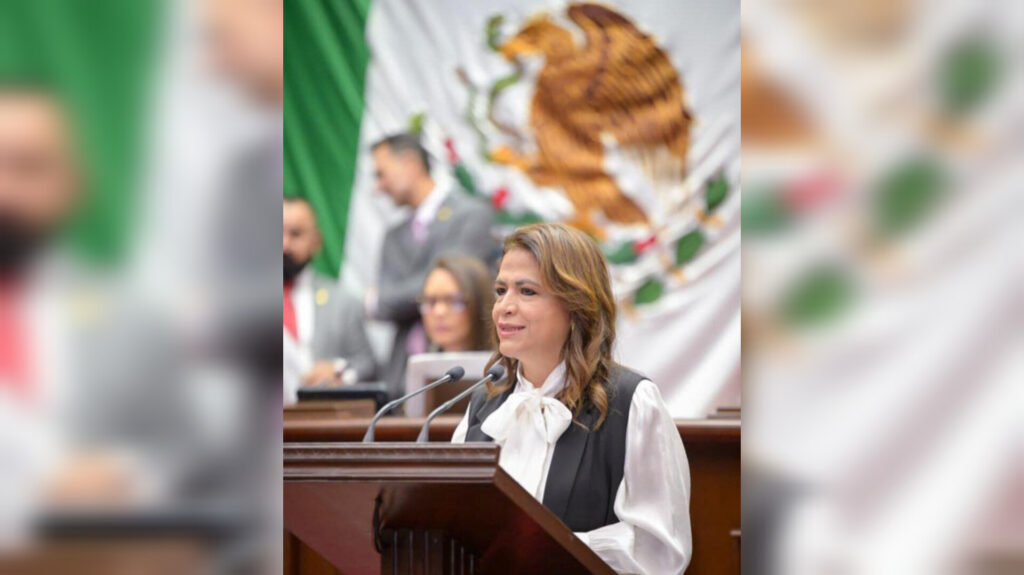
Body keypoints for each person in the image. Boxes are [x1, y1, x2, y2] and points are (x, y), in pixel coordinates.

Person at [452, 223, 692, 574]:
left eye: (527, 291)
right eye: (501, 290)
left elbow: (659, 551)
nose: (504, 306)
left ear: (576, 304)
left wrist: (542, 550)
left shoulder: (632, 402)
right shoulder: (482, 407)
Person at [367, 132, 499, 398]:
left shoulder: (472, 215)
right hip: (400, 380)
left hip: (465, 375)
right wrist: (387, 302)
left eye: (381, 174)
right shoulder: (393, 235)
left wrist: (380, 300)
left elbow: (454, 281)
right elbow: (389, 305)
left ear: (410, 163)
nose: (377, 187)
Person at [283, 196, 376, 403]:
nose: (285, 244)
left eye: (295, 234)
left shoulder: (342, 302)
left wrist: (339, 371)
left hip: (321, 415)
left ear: (316, 241)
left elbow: (366, 364)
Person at [418, 255, 495, 353]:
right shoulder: (417, 360)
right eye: (431, 301)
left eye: (453, 301)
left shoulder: (505, 361)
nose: (439, 312)